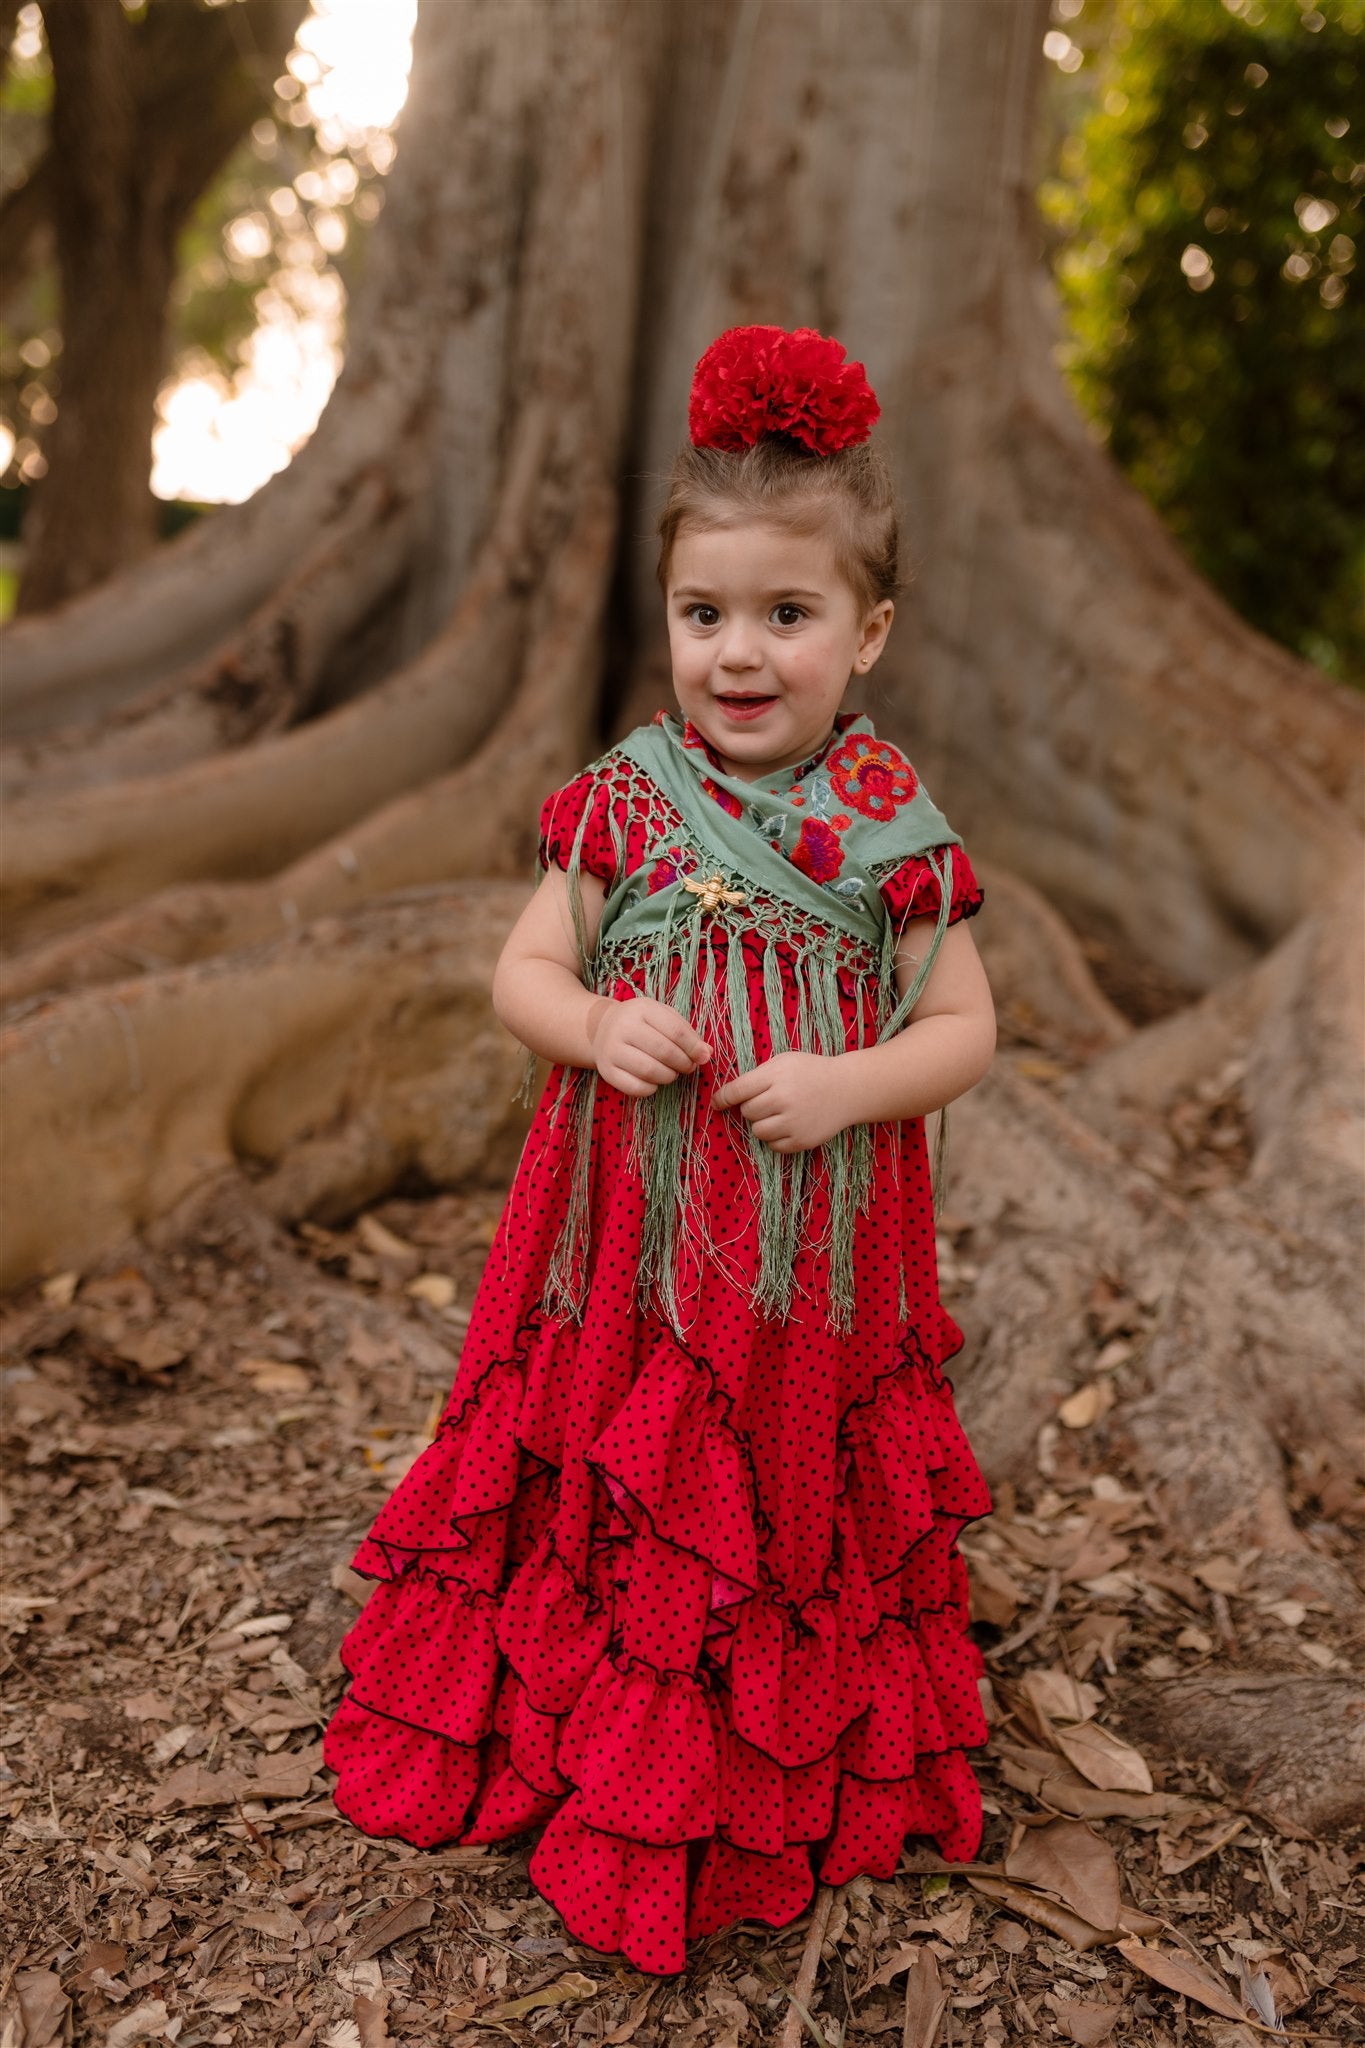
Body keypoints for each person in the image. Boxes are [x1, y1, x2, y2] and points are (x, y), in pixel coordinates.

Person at [321, 324, 997, 1978]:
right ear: (668, 623)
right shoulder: (623, 803)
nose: (739, 655)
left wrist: (851, 1085)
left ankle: (751, 1762)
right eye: (706, 616)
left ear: (869, 633)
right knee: (623, 1479)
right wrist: (595, 1028)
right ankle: (593, 1736)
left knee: (763, 1498)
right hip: (622, 1253)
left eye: (788, 615)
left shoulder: (885, 822)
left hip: (798, 1274)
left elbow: (964, 1030)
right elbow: (521, 974)